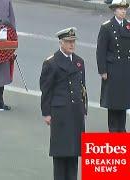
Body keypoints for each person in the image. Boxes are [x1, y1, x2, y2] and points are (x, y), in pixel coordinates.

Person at [39, 27, 87, 180]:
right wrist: (46, 113)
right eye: (68, 42)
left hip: (75, 112)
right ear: (61, 43)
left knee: (74, 152)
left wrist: (83, 109)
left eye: (73, 42)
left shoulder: (79, 62)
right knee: (61, 153)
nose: (72, 45)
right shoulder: (51, 63)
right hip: (60, 112)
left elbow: (82, 87)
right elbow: (46, 90)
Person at [96, 0, 130, 132]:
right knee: (113, 102)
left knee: (123, 102)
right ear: (114, 10)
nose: (123, 11)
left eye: (124, 9)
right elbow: (101, 51)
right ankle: (113, 130)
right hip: (112, 70)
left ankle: (122, 130)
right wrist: (102, 70)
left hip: (126, 69)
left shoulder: (128, 26)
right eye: (120, 9)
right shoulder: (107, 27)